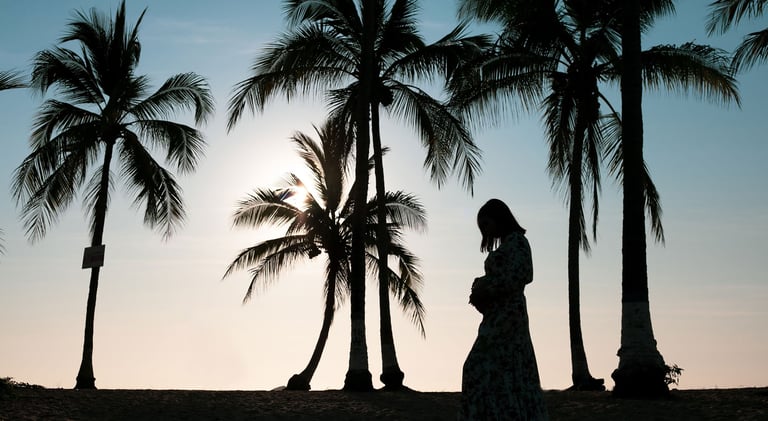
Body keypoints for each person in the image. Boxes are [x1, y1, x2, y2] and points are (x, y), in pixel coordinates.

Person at [459, 199, 548, 420]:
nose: (486, 231)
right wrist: (481, 289)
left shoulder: (518, 242)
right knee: (490, 370)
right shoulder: (509, 244)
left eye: (487, 225)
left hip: (509, 320)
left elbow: (522, 275)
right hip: (497, 318)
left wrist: (486, 287)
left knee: (482, 367)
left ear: (499, 219)